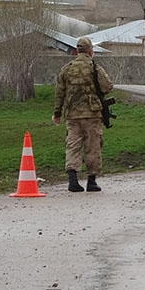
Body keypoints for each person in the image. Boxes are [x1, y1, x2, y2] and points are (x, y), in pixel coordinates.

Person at [52, 36, 113, 192]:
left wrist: (57, 113)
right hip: (92, 114)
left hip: (72, 115)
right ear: (90, 51)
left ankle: (73, 180)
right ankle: (91, 181)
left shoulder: (67, 69)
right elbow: (107, 87)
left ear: (76, 51)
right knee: (93, 146)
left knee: (72, 145)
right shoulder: (95, 68)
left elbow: (59, 93)